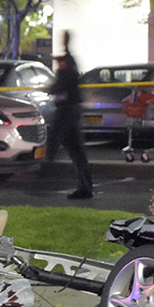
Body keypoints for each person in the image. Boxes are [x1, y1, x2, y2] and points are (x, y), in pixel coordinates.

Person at [46, 31, 94, 200]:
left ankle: (45, 169)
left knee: (57, 140)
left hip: (67, 109)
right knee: (76, 150)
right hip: (72, 108)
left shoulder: (67, 61)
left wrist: (51, 89)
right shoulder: (70, 60)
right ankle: (85, 187)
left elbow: (64, 82)